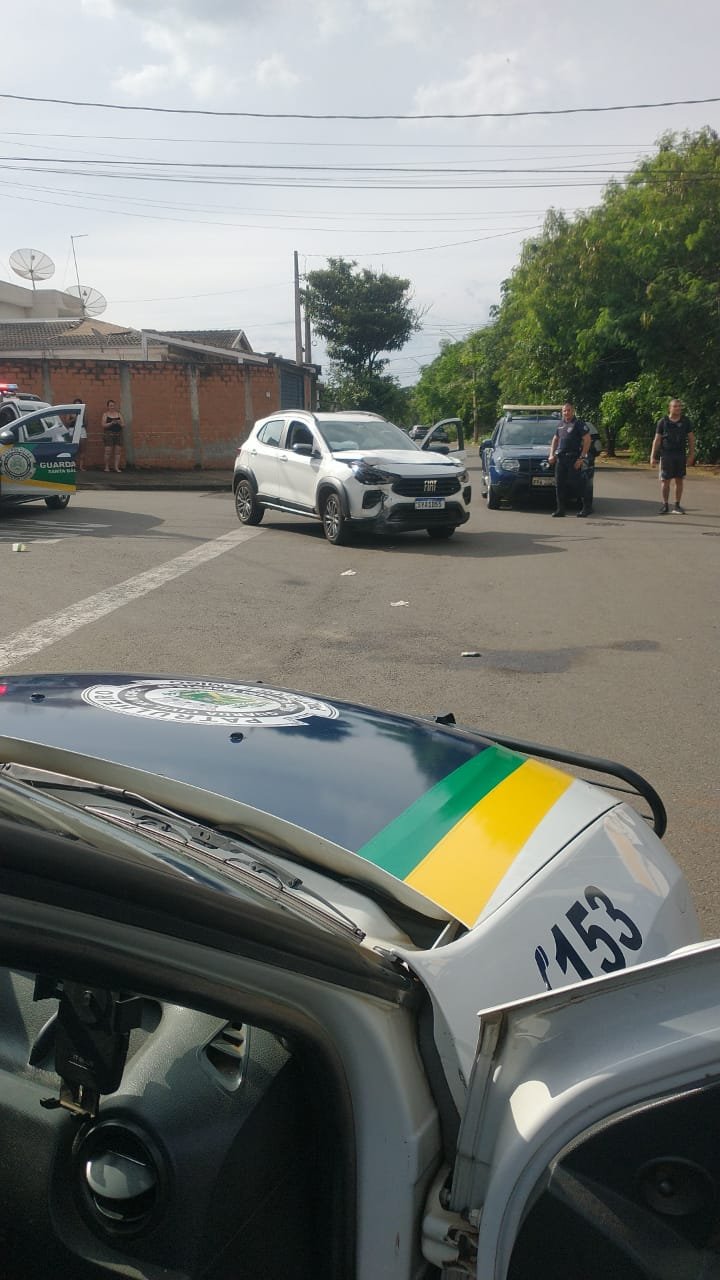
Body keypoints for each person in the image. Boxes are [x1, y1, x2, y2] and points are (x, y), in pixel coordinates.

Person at [650, 398, 695, 514]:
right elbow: (657, 439)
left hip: (680, 454)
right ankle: (665, 505)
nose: (678, 408)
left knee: (679, 480)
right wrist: (652, 456)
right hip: (666, 454)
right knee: (665, 480)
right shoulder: (663, 422)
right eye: (675, 406)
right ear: (669, 408)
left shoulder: (686, 421)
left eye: (680, 406)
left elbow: (691, 438)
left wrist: (691, 455)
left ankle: (677, 505)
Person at [548, 401, 591, 517]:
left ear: (573, 411)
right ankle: (560, 509)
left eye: (568, 410)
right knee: (559, 484)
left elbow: (587, 440)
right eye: (564, 411)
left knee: (578, 484)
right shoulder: (560, 424)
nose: (566, 413)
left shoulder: (578, 423)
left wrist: (581, 458)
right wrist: (551, 454)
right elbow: (555, 439)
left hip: (574, 459)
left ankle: (586, 508)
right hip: (561, 459)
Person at [101, 398, 124, 473]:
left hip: (118, 434)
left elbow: (123, 425)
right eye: (110, 405)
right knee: (108, 451)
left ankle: (116, 467)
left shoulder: (118, 414)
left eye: (113, 405)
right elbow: (103, 425)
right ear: (108, 406)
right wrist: (111, 423)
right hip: (109, 434)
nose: (112, 407)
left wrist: (118, 423)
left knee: (118, 451)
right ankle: (107, 467)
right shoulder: (105, 414)